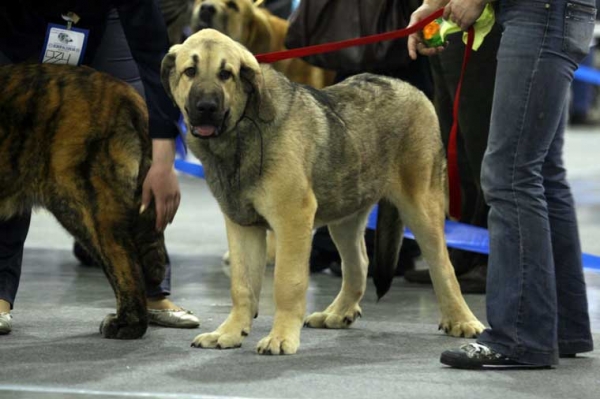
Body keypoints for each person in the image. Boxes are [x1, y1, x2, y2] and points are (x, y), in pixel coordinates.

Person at [408, 0, 595, 368]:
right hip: (542, 13)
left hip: (540, 12)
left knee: (510, 175)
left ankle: (519, 337)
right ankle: (558, 327)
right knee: (539, 172)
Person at [0, 0, 199, 335]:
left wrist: (162, 161)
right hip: (14, 24)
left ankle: (150, 292)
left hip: (100, 19)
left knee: (134, 118)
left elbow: (153, 59)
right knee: (12, 144)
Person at [403, 5, 502, 294]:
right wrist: (429, 8)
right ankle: (463, 250)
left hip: (483, 24)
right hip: (448, 24)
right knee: (453, 146)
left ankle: (490, 257)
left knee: (482, 145)